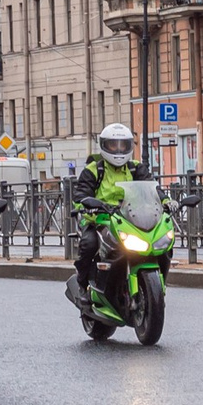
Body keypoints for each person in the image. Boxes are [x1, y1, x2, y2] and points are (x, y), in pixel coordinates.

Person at [65, 123, 150, 308]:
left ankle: (153, 287)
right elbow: (80, 195)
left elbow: (153, 190)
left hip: (130, 219)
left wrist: (167, 202)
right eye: (113, 145)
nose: (118, 150)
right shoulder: (94, 169)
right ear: (104, 146)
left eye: (122, 145)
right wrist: (89, 204)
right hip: (99, 219)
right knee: (89, 244)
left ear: (129, 146)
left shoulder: (136, 169)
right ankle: (83, 284)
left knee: (159, 241)